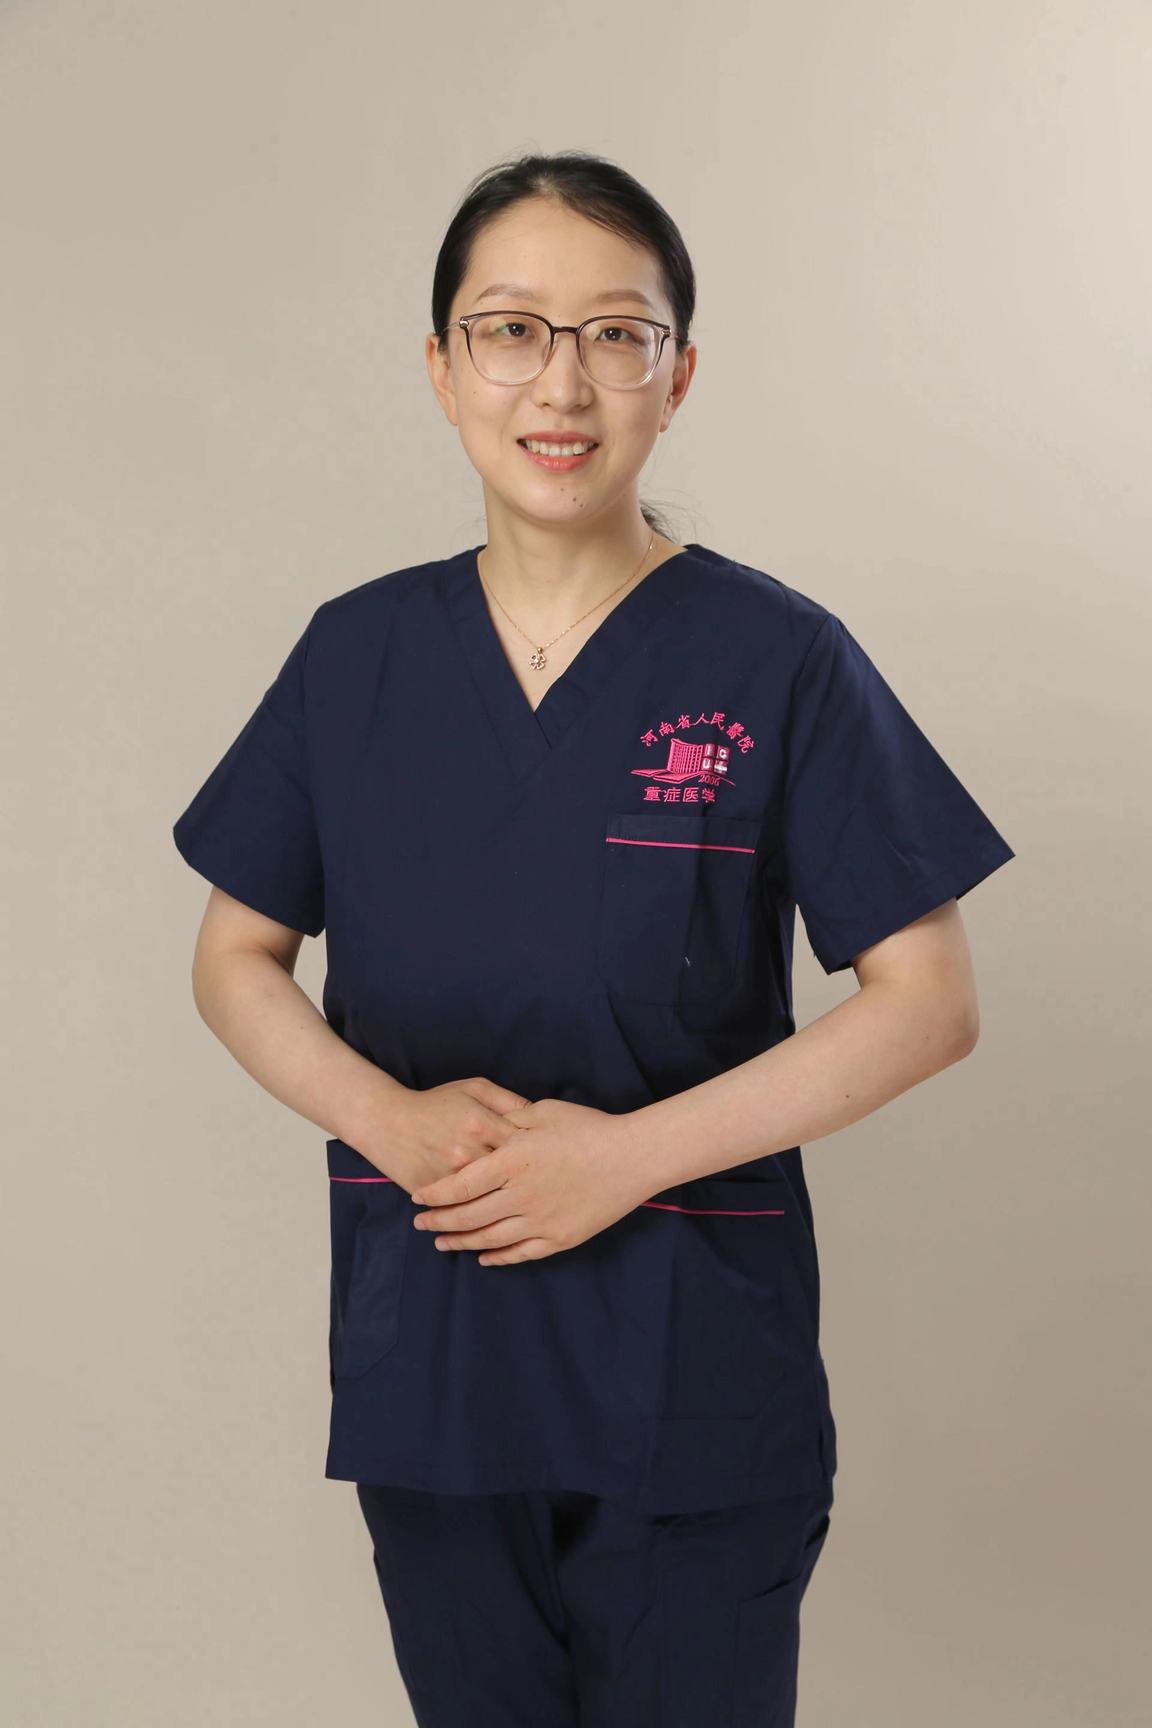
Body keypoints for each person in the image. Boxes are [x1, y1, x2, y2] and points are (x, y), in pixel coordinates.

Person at [172, 150, 1016, 1727]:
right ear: (442, 369)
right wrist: (391, 1122)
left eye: (616, 335)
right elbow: (234, 958)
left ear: (677, 376)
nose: (562, 383)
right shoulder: (355, 659)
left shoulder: (778, 657)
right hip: (438, 1359)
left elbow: (928, 999)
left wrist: (624, 1160)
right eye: (510, 330)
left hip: (691, 1370)